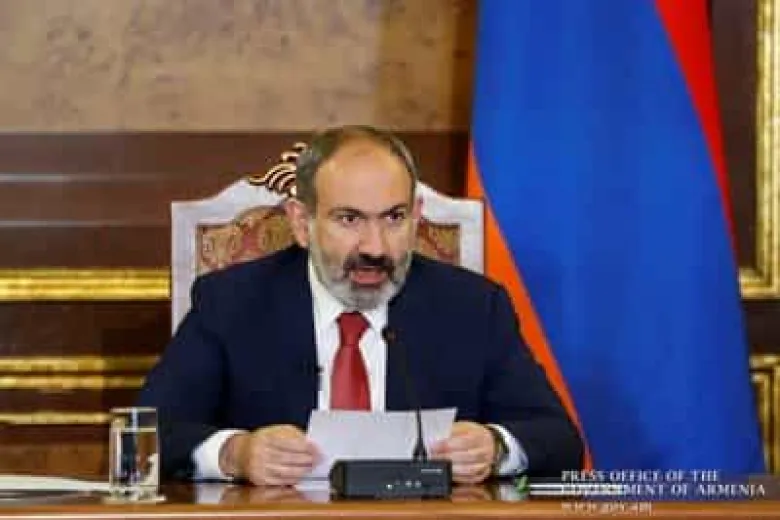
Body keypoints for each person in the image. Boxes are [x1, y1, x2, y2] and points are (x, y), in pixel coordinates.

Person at [138, 125, 584, 486]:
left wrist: (495, 446)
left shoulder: (472, 306)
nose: (375, 247)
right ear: (302, 222)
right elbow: (150, 432)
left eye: (394, 218)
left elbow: (558, 439)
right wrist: (236, 454)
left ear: (416, 215)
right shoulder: (232, 303)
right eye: (349, 219)